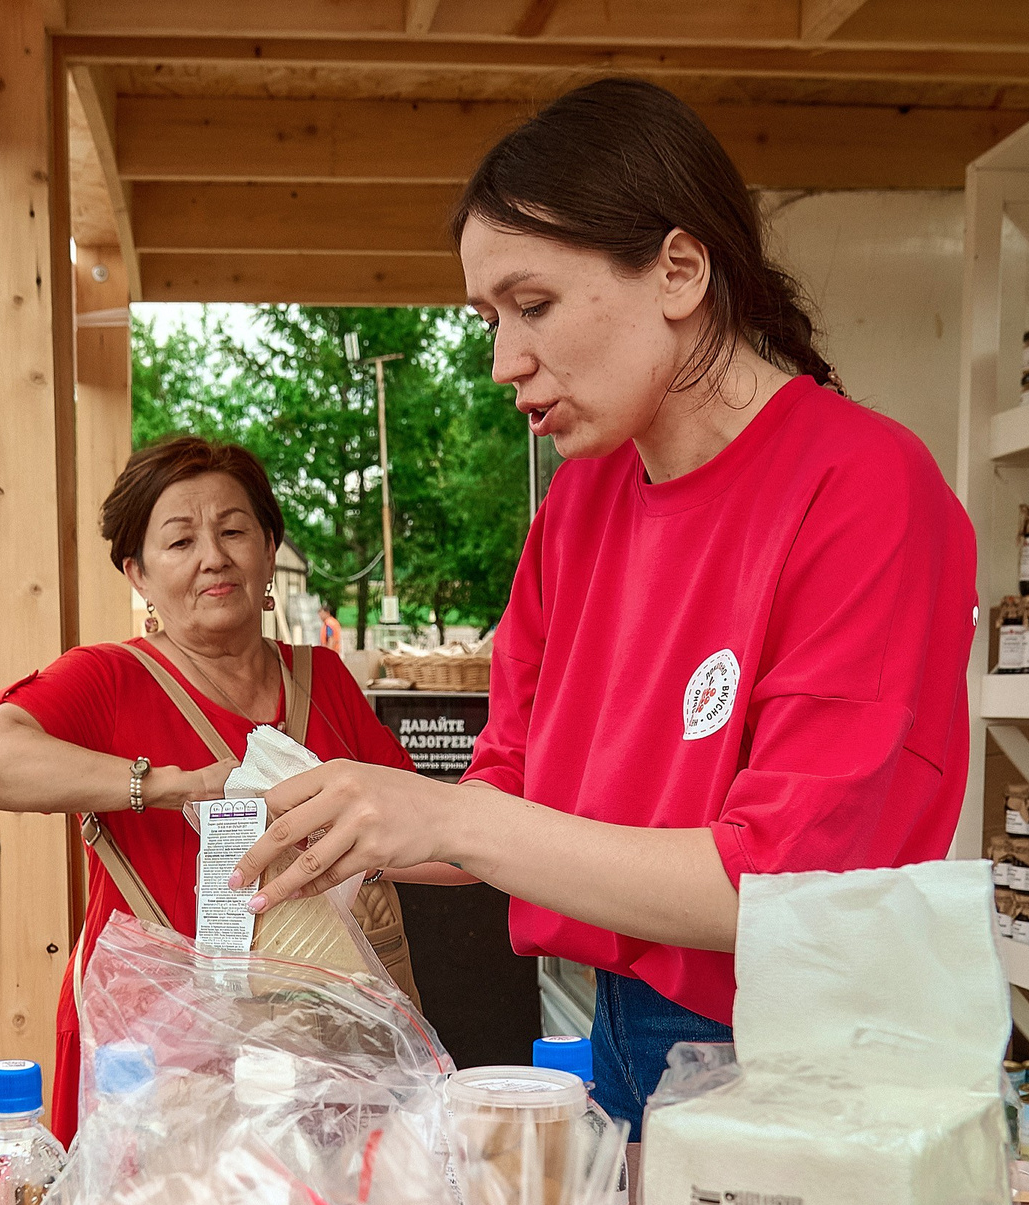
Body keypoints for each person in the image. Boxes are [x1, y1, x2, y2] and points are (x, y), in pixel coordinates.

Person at [228, 79, 978, 1131]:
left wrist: (450, 817)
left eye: (532, 304)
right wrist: (345, 822)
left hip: (806, 1063)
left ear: (678, 270)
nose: (504, 361)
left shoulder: (862, 488)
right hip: (610, 1019)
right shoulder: (579, 505)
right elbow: (510, 789)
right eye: (490, 319)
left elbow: (779, 887)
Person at [0, 435, 445, 1137]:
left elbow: (424, 842)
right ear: (138, 574)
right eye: (180, 541)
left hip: (317, 1041)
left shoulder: (325, 679)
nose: (213, 556)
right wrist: (167, 786)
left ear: (269, 550)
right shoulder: (109, 677)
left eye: (234, 531)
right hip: (154, 1055)